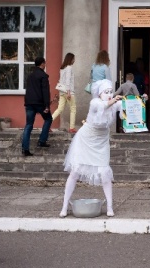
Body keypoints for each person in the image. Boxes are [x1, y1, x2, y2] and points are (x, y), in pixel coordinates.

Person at [59, 79, 122, 218]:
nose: (109, 94)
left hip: (102, 141)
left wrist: (141, 99)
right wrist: (113, 101)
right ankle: (64, 206)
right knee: (75, 171)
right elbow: (104, 106)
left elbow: (126, 104)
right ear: (100, 94)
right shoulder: (95, 102)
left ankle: (110, 207)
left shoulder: (113, 103)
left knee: (105, 172)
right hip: (86, 139)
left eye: (111, 91)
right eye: (106, 92)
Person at [22, 57, 53, 156]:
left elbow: (28, 90)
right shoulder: (43, 76)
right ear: (42, 64)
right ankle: (42, 141)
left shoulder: (30, 75)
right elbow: (45, 92)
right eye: (45, 63)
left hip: (29, 103)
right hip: (39, 103)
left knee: (28, 125)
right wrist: (47, 105)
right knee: (48, 119)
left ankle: (25, 149)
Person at [52, 53, 77, 133]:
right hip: (68, 91)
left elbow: (61, 80)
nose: (74, 60)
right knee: (73, 108)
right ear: (71, 59)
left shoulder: (62, 68)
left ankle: (47, 124)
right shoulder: (69, 68)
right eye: (73, 59)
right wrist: (69, 92)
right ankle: (72, 127)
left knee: (59, 109)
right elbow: (67, 81)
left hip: (62, 91)